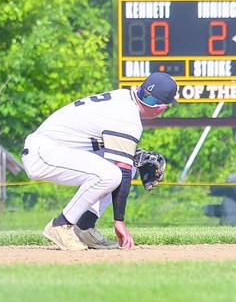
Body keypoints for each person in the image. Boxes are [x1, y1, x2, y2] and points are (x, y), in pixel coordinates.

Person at [21, 72, 175, 250]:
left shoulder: (124, 97)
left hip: (52, 149)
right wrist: (119, 221)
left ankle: (84, 227)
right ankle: (60, 225)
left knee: (130, 165)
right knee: (112, 174)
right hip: (43, 153)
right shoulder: (129, 118)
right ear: (161, 108)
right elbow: (122, 170)